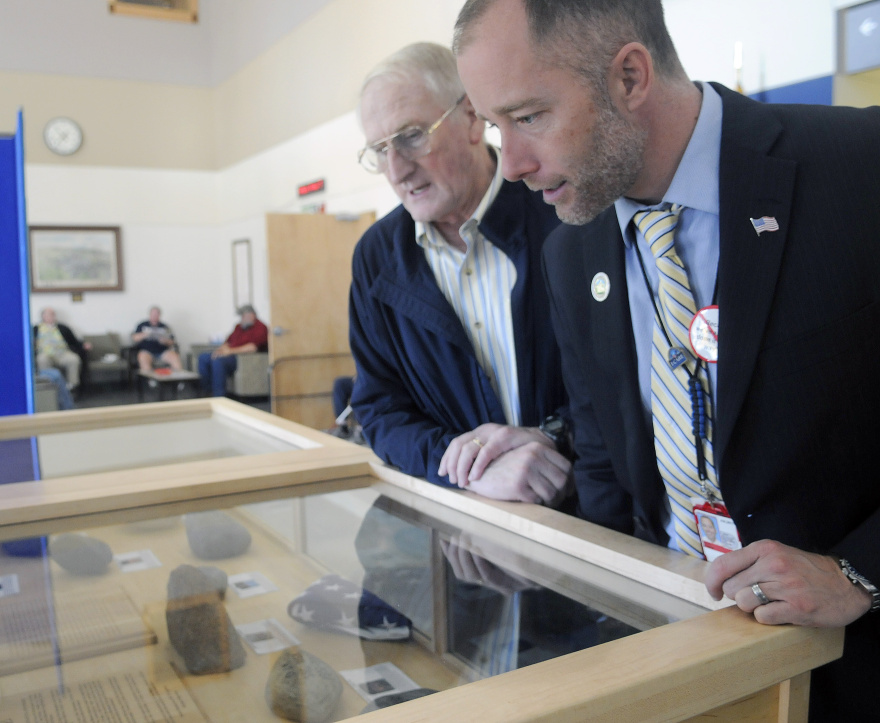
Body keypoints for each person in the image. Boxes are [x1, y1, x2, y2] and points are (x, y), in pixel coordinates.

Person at [453, 0, 880, 716]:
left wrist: (858, 572)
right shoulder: (571, 251)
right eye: (496, 127)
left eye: (527, 117)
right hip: (687, 666)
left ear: (629, 76)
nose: (513, 164)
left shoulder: (858, 168)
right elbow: (607, 473)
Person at [349, 42, 571, 507]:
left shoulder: (561, 213)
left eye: (411, 136)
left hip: (588, 517)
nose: (396, 170)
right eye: (379, 150)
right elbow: (380, 409)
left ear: (471, 116)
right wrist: (463, 467)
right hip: (461, 529)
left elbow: (624, 378)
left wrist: (551, 438)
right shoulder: (376, 257)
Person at [196, 305, 268, 397]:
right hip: (229, 353)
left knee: (218, 361)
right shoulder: (239, 327)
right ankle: (206, 391)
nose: (242, 319)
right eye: (241, 316)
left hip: (243, 358)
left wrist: (230, 351)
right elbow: (228, 342)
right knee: (203, 357)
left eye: (244, 316)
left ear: (252, 315)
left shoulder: (260, 328)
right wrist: (220, 350)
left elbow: (252, 347)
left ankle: (219, 396)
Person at [33, 307, 90, 391]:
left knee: (73, 359)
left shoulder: (62, 327)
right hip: (45, 354)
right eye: (48, 314)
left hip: (62, 353)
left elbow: (74, 341)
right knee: (42, 359)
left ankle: (72, 386)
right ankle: (48, 386)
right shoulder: (35, 328)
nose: (51, 316)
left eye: (52, 314)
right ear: (43, 316)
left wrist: (83, 345)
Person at [132, 306, 182, 373]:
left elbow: (172, 342)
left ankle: (178, 380)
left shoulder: (165, 327)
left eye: (156, 314)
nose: (154, 316)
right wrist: (145, 334)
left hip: (162, 351)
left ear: (159, 315)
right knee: (143, 358)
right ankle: (150, 381)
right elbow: (135, 338)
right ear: (150, 314)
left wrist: (165, 341)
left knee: (175, 357)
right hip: (146, 351)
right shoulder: (142, 325)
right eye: (153, 314)